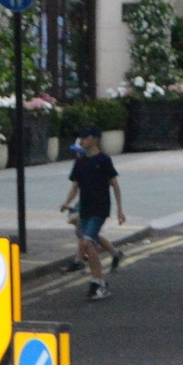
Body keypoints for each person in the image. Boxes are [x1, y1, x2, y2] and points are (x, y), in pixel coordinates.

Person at [60, 129, 126, 300]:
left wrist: (120, 210)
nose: (81, 140)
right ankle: (98, 282)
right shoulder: (80, 163)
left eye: (84, 137)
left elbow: (115, 185)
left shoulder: (104, 160)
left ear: (94, 139)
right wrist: (67, 202)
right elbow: (75, 186)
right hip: (85, 209)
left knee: (87, 241)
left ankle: (84, 267)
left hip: (100, 209)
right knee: (90, 243)